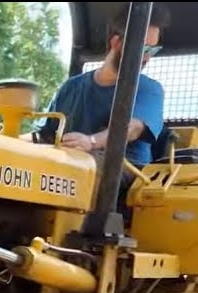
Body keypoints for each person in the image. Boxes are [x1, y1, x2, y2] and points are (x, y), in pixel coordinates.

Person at [35, 3, 170, 169]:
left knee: (79, 166)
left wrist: (91, 142)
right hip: (70, 168)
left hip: (126, 175)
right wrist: (2, 137)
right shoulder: (71, 87)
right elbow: (42, 136)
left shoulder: (149, 89)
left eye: (153, 50)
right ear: (116, 43)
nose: (148, 57)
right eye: (144, 48)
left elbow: (132, 128)